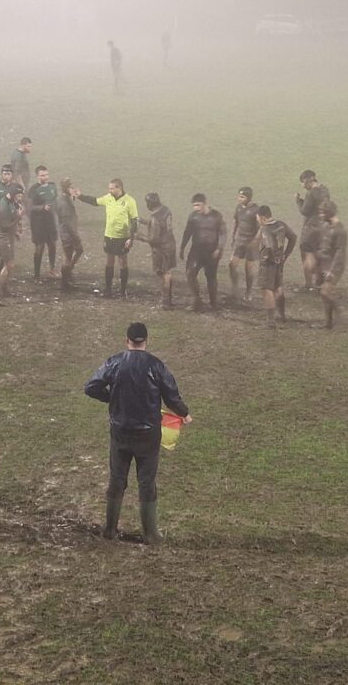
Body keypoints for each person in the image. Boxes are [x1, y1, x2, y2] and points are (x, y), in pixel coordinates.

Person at [84, 322, 191, 545]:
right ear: (146, 341)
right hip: (148, 434)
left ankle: (110, 530)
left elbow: (91, 387)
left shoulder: (114, 362)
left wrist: (111, 397)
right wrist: (184, 414)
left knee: (117, 479)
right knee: (146, 481)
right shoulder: (156, 365)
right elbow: (171, 395)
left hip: (120, 431)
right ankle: (150, 534)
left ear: (127, 341)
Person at [76, 179, 139, 298]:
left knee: (122, 262)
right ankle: (108, 289)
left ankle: (123, 290)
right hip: (109, 235)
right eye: (109, 188)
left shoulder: (130, 201)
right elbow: (94, 201)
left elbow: (134, 222)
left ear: (119, 188)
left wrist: (131, 239)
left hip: (122, 237)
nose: (109, 190)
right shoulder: (108, 197)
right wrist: (80, 196)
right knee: (109, 261)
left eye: (111, 188)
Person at [180, 193, 227, 312]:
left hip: (211, 252)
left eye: (198, 205)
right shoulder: (193, 216)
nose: (196, 208)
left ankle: (213, 303)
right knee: (190, 273)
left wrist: (219, 248)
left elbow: (223, 233)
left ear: (205, 204)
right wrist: (182, 247)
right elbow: (187, 232)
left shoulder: (216, 216)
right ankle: (196, 301)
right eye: (194, 205)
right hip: (196, 251)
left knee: (211, 277)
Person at [256, 205, 297, 328]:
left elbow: (269, 246)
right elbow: (293, 237)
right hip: (279, 262)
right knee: (278, 288)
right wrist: (285, 255)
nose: (257, 219)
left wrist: (273, 256)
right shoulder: (281, 224)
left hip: (268, 263)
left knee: (266, 290)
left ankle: (270, 321)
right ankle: (282, 315)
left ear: (262, 217)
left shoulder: (265, 229)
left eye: (257, 217)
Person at [140, 192, 177, 309]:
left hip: (161, 249)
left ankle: (166, 301)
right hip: (170, 244)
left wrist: (139, 236)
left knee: (162, 272)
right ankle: (168, 299)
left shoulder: (154, 217)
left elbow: (153, 239)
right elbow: (161, 225)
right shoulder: (166, 210)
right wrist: (143, 221)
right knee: (167, 272)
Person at [296, 170, 330, 290]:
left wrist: (298, 201)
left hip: (311, 228)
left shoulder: (311, 193)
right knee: (318, 254)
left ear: (307, 180)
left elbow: (305, 211)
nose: (302, 185)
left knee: (307, 255)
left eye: (302, 182)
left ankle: (308, 284)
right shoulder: (325, 189)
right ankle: (320, 281)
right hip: (323, 227)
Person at [0, 183, 24, 305]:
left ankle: (6, 290)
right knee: (9, 265)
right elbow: (5, 226)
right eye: (18, 195)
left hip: (8, 236)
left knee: (9, 264)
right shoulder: (3, 205)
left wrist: (15, 232)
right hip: (4, 237)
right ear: (13, 193)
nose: (19, 198)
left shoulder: (10, 201)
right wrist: (18, 217)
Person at [27, 166, 60, 280]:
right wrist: (42, 207)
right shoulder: (33, 189)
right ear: (37, 176)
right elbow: (30, 207)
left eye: (46, 175)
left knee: (52, 245)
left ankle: (52, 269)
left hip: (50, 220)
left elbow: (55, 200)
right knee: (39, 247)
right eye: (42, 175)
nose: (45, 177)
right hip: (38, 223)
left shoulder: (52, 186)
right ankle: (36, 273)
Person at [318, 201, 347, 330]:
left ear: (330, 212)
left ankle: (341, 311)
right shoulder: (327, 225)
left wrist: (332, 270)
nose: (320, 215)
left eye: (323, 212)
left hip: (334, 266)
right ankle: (328, 323)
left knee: (325, 291)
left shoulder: (340, 230)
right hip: (324, 264)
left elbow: (340, 252)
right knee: (324, 294)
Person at [229, 186, 260, 302]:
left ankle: (249, 291)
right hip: (239, 241)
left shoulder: (256, 209)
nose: (239, 198)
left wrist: (256, 241)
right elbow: (235, 221)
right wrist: (232, 236)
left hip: (250, 243)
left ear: (249, 197)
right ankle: (235, 288)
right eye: (239, 196)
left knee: (249, 268)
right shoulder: (238, 208)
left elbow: (260, 227)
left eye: (242, 197)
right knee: (232, 265)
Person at [56, 178, 84, 289]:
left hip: (67, 232)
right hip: (68, 234)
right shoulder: (64, 203)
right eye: (71, 187)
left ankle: (68, 274)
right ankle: (64, 282)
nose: (73, 188)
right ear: (66, 188)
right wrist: (76, 237)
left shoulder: (63, 198)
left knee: (79, 250)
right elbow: (67, 223)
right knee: (67, 257)